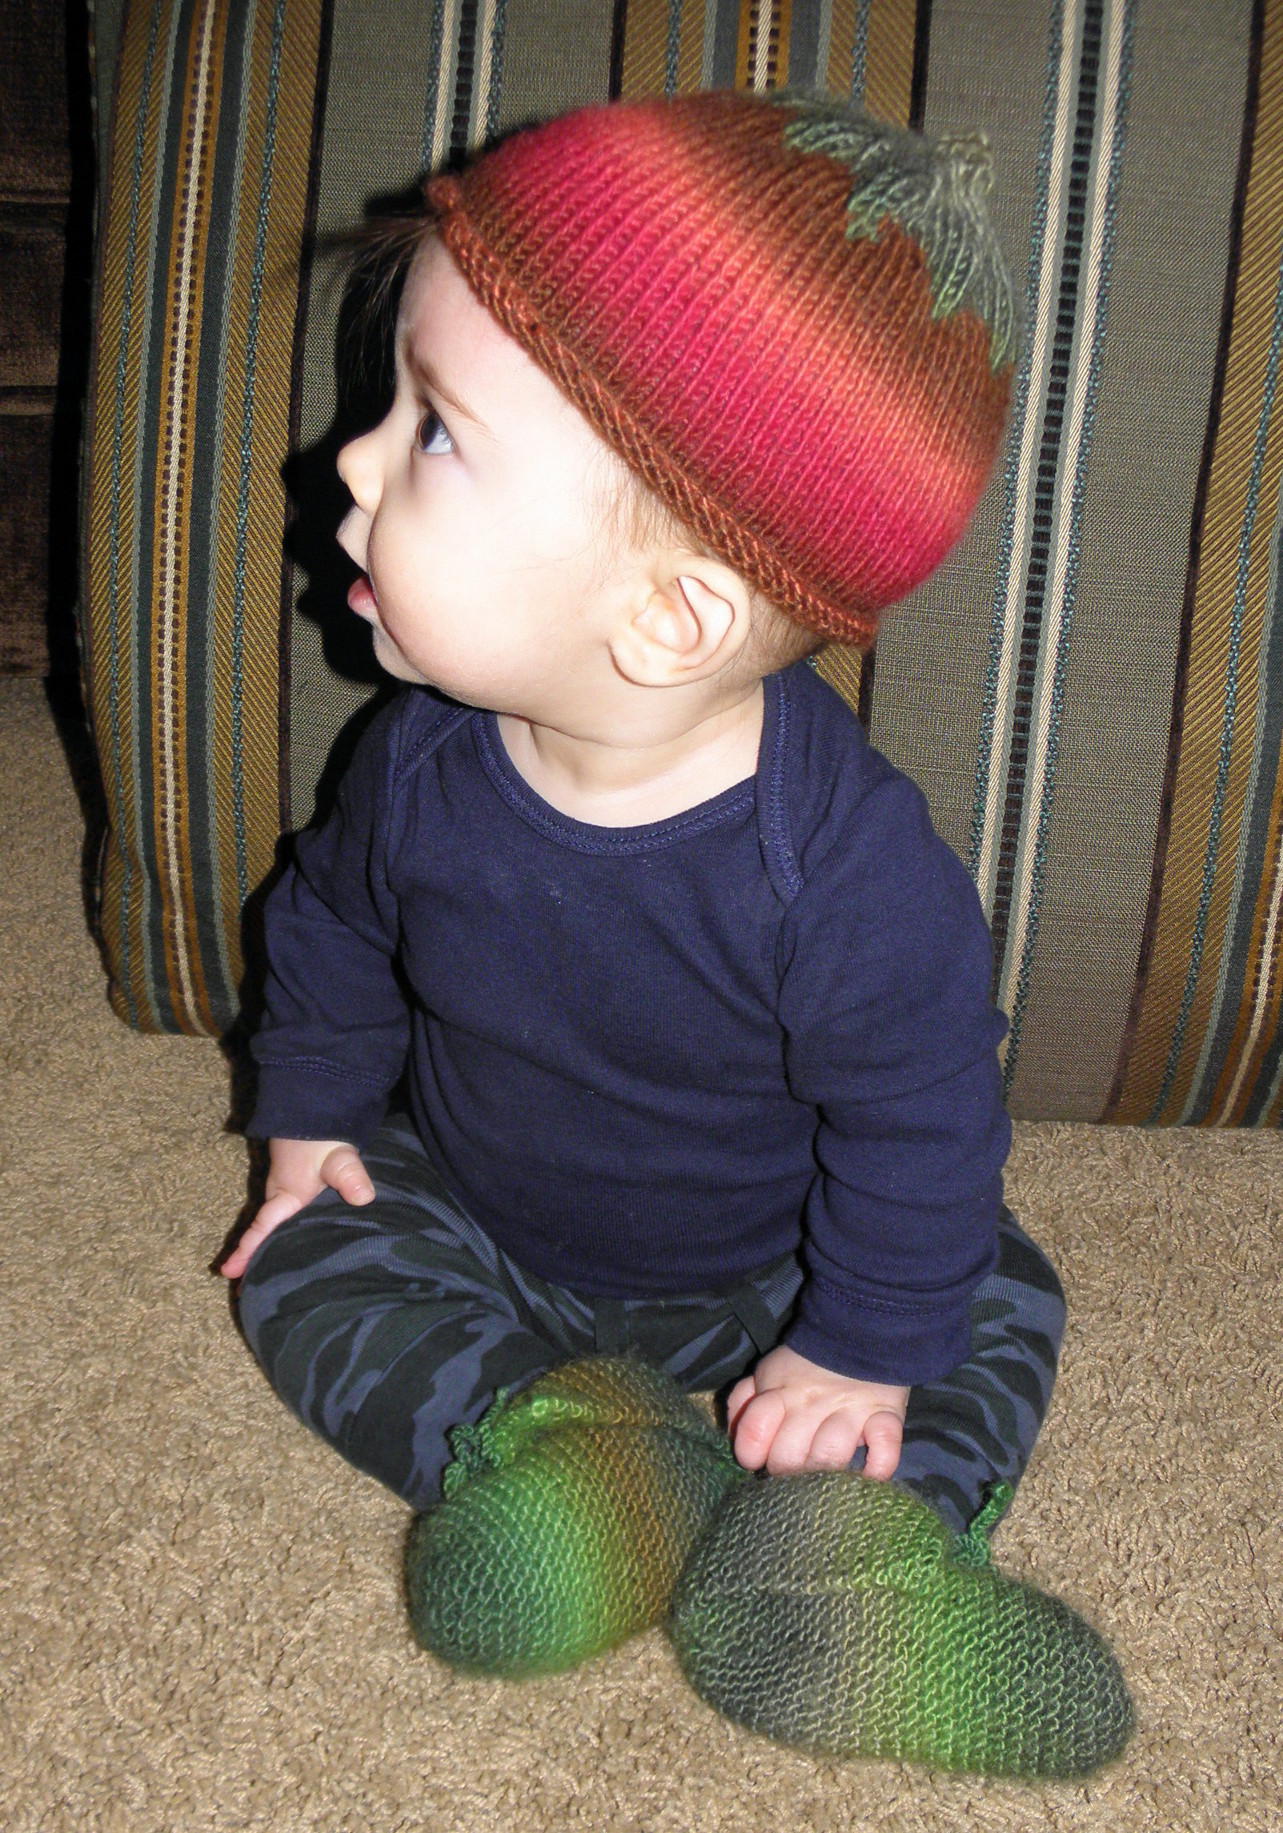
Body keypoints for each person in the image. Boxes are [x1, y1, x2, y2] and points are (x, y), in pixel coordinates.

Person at [220, 88, 1131, 1776]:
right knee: (306, 1251)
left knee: (982, 1286)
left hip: (774, 1271)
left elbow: (920, 1119)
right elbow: (332, 921)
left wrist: (854, 1354)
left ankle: (848, 1562)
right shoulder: (416, 757)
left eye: (429, 430)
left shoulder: (849, 878)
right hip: (486, 1217)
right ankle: (571, 1454)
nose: (344, 455)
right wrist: (312, 1114)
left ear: (671, 613)